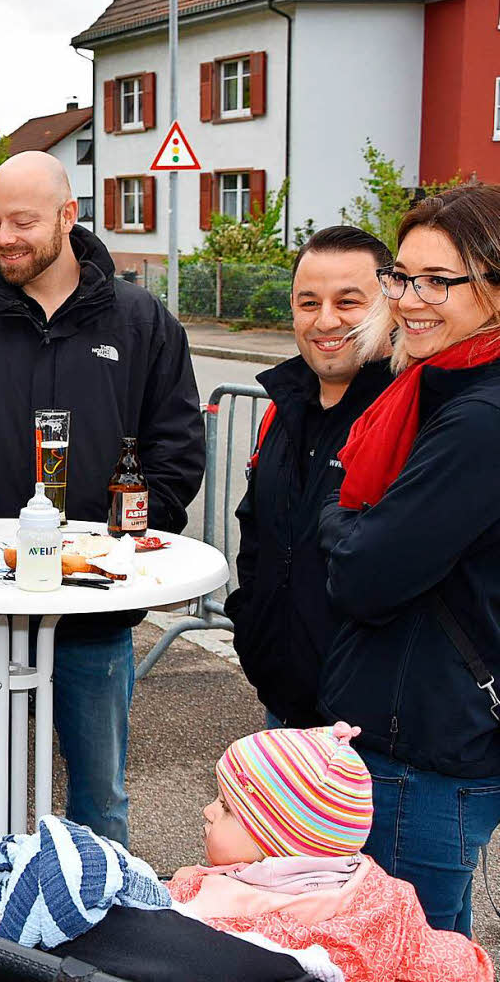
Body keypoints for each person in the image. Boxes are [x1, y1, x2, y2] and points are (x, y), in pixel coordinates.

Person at [0, 150, 205, 843]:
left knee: (100, 798)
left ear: (69, 216)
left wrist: (117, 542)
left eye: (23, 220)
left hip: (95, 609)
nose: (5, 236)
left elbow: (177, 452)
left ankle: (106, 935)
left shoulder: (141, 322)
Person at [318, 184, 500, 935]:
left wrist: (337, 517)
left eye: (438, 281)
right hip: (419, 728)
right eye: (403, 276)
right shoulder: (436, 388)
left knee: (403, 950)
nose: (409, 299)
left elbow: (364, 576)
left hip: (424, 747)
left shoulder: (479, 418)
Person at [224, 227, 393, 729]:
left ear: (391, 305)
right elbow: (257, 535)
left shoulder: (408, 417)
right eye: (308, 302)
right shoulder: (282, 409)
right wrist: (249, 622)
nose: (326, 320)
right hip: (284, 703)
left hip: (371, 728)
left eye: (349, 301)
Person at [167, 724, 494, 981]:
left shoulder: (211, 914)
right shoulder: (386, 897)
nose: (207, 810)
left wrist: (176, 891)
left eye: (226, 807)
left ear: (282, 843)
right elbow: (447, 964)